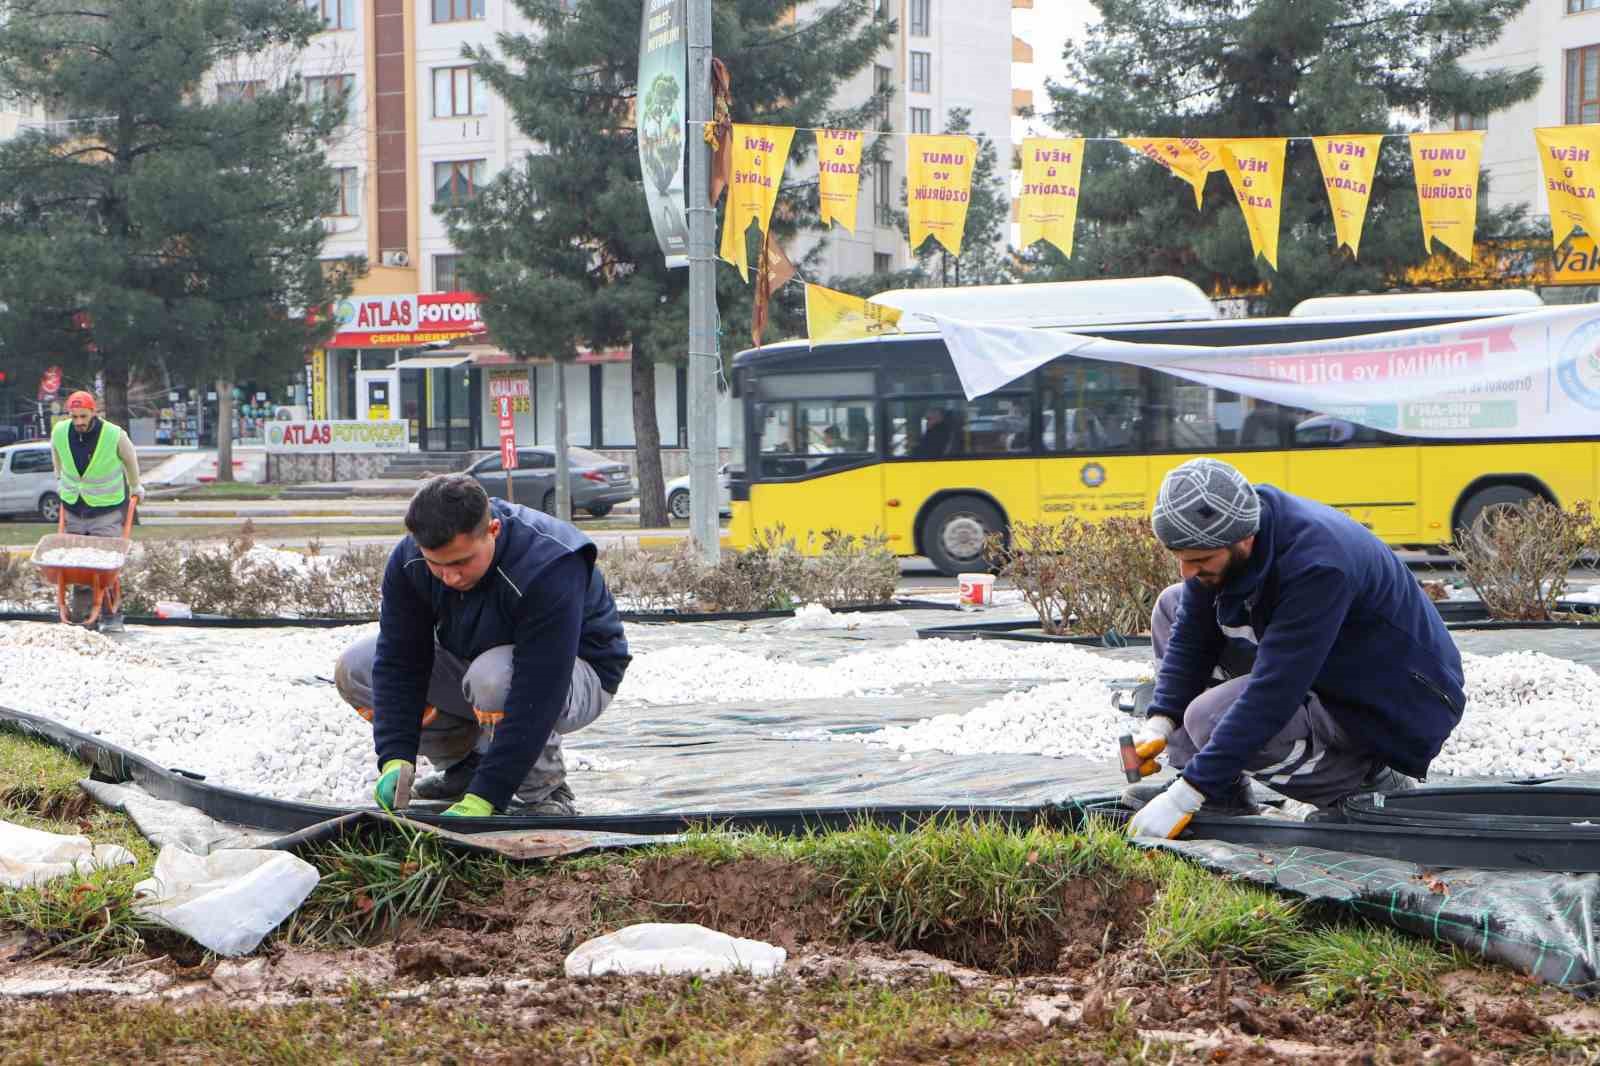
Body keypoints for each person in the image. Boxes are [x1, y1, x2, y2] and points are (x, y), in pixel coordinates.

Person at [1123, 457, 1466, 839]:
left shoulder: (1318, 565)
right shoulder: (1242, 525)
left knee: (1211, 717)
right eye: (1181, 559)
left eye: (1200, 560)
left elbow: (1273, 694)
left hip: (1397, 698)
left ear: (1244, 539)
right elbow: (1192, 630)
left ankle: (1366, 785)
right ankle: (1220, 793)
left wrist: (1185, 798)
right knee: (1172, 605)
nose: (1188, 571)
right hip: (1328, 665)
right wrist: (1161, 720)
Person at [334, 474, 631, 818]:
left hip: (577, 675)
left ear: (493, 531)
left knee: (494, 677)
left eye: (461, 562)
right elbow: (400, 661)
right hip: (478, 665)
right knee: (357, 668)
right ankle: (465, 769)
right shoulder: (409, 561)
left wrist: (490, 795)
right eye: (437, 565)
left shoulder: (549, 564)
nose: (450, 577)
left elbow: (541, 686)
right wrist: (394, 755)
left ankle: (545, 792)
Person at [49, 391, 143, 632]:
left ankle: (112, 616)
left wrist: (135, 485)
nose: (79, 421)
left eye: (83, 415)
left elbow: (130, 458)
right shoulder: (60, 431)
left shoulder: (114, 435)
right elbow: (57, 453)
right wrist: (59, 477)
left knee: (104, 568)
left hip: (106, 511)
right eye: (74, 416)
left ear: (94, 412)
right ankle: (81, 620)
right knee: (78, 568)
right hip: (74, 509)